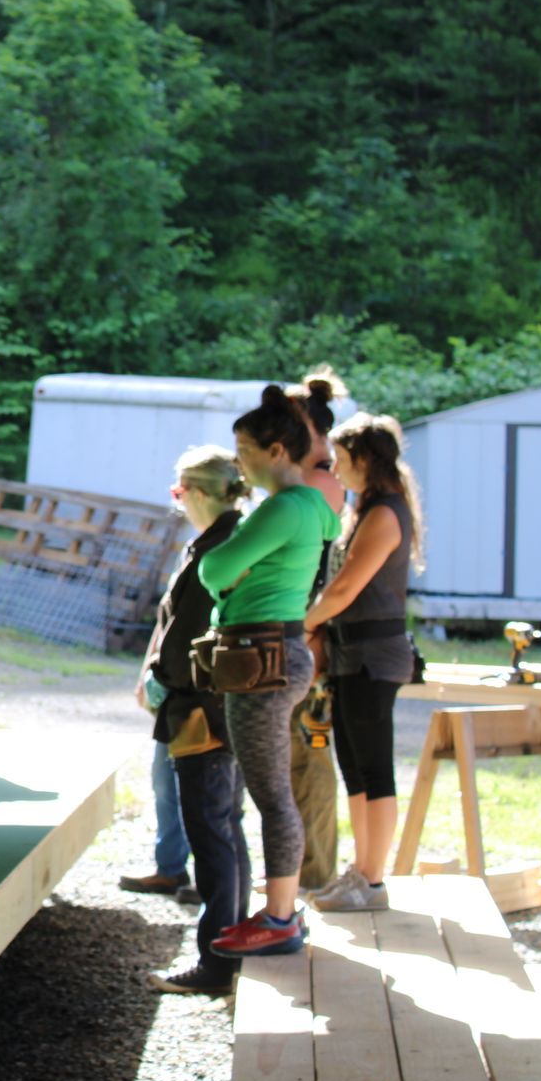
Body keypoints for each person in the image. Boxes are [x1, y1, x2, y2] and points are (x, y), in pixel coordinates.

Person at [198, 386, 340, 957]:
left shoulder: (283, 507)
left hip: (261, 660)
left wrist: (231, 574)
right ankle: (279, 909)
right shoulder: (316, 508)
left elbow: (215, 567)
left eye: (244, 449)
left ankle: (279, 918)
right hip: (282, 650)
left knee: (272, 795)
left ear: (277, 450)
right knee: (274, 790)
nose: (239, 462)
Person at [142, 446, 252, 995]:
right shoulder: (222, 540)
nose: (176, 500)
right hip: (211, 709)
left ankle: (216, 962)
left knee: (212, 837)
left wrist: (161, 678)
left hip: (201, 713)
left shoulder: (222, 546)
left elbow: (188, 635)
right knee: (225, 830)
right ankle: (233, 946)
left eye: (181, 490)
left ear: (202, 492)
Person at [305, 413, 424, 912]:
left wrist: (304, 625)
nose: (335, 468)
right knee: (353, 764)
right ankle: (360, 870)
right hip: (351, 656)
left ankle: (373, 880)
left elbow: (348, 587)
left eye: (341, 460)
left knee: (374, 768)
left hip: (375, 657)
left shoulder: (384, 514)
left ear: (365, 460)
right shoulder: (366, 510)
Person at [286, 373, 348, 891]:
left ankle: (315, 873)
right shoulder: (308, 478)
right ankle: (295, 872)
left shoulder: (321, 482)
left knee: (308, 759)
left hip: (310, 640)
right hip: (296, 637)